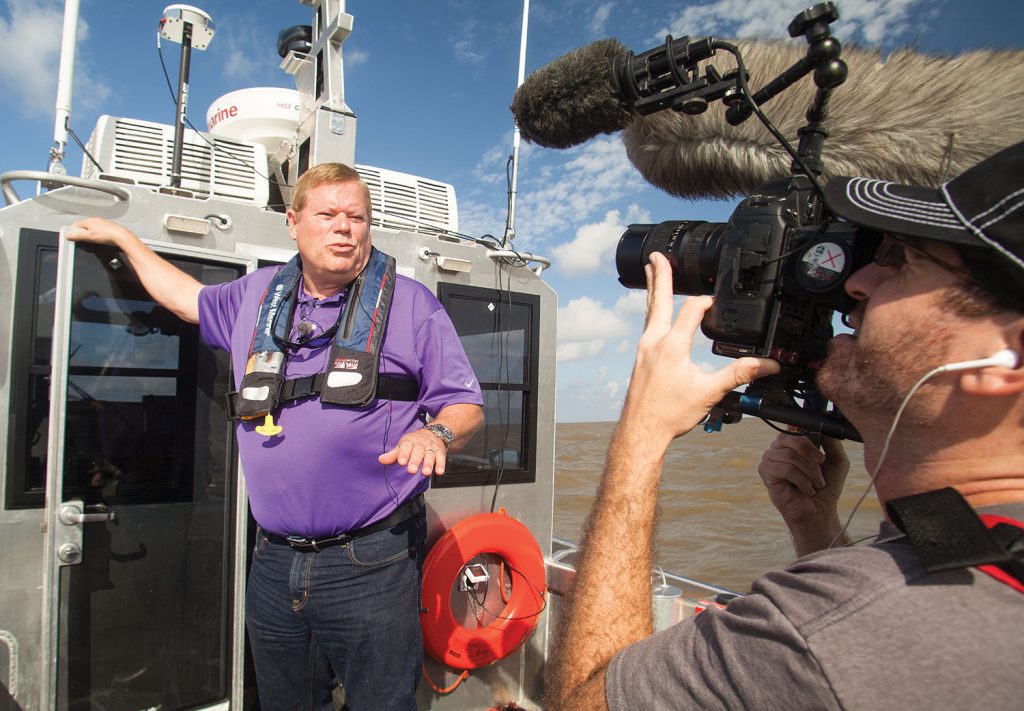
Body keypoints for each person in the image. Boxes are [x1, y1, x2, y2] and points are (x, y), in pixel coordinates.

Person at [546, 142, 1024, 710]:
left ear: (1009, 357)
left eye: (902, 259)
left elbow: (582, 702)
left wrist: (641, 437)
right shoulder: (972, 547)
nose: (856, 282)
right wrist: (818, 530)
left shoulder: (818, 635)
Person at [67, 162, 484, 710]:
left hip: (371, 564)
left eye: (357, 217)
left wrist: (435, 434)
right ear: (293, 222)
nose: (344, 228)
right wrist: (125, 239)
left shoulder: (411, 304)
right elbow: (184, 298)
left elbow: (466, 404)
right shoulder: (256, 293)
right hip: (273, 562)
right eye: (328, 214)